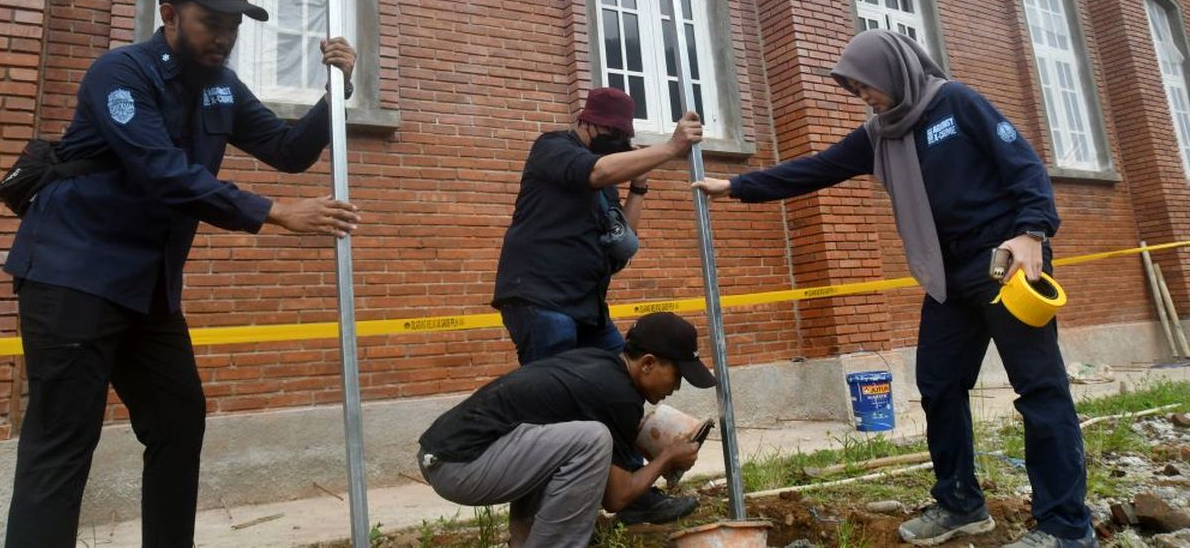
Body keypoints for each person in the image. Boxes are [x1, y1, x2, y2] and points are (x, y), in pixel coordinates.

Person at [3, 0, 363, 548]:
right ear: (169, 15)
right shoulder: (120, 73)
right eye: (210, 22)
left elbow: (288, 150)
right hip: (73, 276)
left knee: (177, 422)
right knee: (63, 441)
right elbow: (161, 172)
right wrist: (274, 213)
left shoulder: (219, 85)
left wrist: (336, 91)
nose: (223, 36)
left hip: (146, 289)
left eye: (234, 25)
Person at [693, 30, 1095, 548]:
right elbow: (817, 169)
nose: (864, 98)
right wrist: (738, 186)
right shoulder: (879, 135)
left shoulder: (957, 102)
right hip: (946, 276)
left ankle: (1066, 527)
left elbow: (1025, 167)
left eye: (866, 87)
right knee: (937, 384)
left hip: (1005, 261)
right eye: (855, 91)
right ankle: (960, 503)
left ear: (893, 72)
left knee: (1039, 390)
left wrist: (1033, 230)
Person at [491, 86, 704, 524]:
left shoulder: (606, 185)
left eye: (624, 136)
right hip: (541, 298)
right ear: (587, 121)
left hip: (587, 304)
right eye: (613, 132)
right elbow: (597, 171)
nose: (618, 141)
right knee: (555, 409)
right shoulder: (554, 148)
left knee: (621, 388)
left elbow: (622, 243)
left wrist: (639, 187)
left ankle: (631, 494)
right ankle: (550, 517)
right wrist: (669, 148)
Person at [417, 311, 716, 548]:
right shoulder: (617, 395)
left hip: (447, 455)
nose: (676, 387)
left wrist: (651, 440)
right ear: (648, 364)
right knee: (591, 440)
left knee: (573, 440)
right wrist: (667, 459)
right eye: (676, 376)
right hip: (461, 466)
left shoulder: (603, 365)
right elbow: (616, 497)